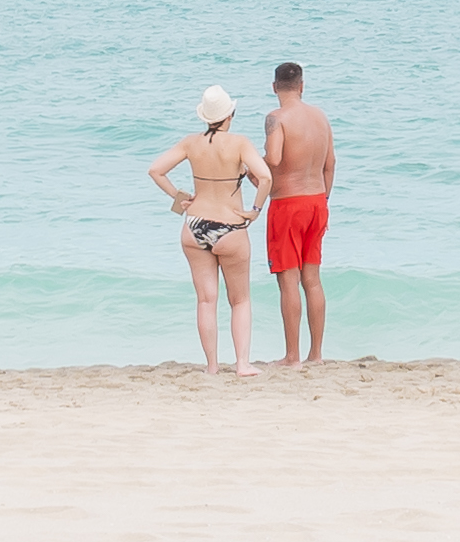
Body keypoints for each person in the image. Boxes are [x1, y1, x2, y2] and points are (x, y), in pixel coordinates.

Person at [145, 88, 269, 371]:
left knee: (205, 300)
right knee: (240, 300)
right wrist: (256, 210)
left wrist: (179, 198)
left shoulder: (191, 143)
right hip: (230, 227)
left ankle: (212, 366)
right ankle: (242, 365)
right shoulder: (239, 143)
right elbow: (265, 177)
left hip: (194, 226)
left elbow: (155, 170)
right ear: (230, 114)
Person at [262, 61, 339, 366]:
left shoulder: (275, 118)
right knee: (313, 280)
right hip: (318, 202)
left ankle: (292, 356)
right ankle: (316, 355)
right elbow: (330, 164)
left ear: (274, 87)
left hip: (287, 205)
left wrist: (253, 162)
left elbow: (275, 158)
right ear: (302, 86)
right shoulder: (321, 117)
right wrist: (323, 200)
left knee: (289, 281)